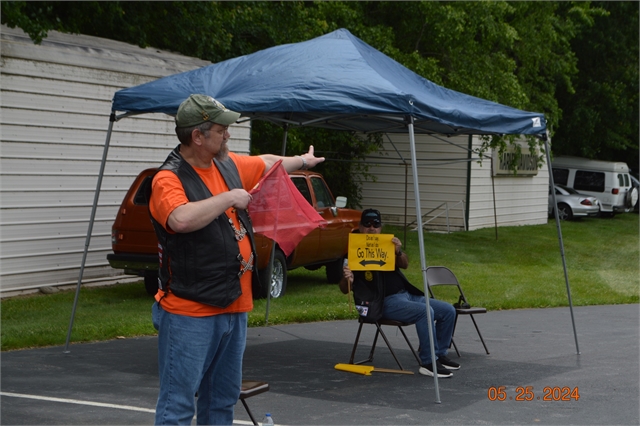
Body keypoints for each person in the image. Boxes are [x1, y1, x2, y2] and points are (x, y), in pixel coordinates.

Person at [148, 94, 324, 425]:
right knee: (178, 406)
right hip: (190, 312)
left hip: (233, 308)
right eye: (221, 129)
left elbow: (266, 162)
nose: (228, 135)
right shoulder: (168, 179)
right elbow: (180, 219)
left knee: (222, 402)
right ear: (197, 136)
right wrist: (229, 197)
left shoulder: (226, 164)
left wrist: (302, 160)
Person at [339, 208, 460, 378]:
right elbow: (344, 288)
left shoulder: (387, 245)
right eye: (367, 224)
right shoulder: (352, 251)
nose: (371, 228)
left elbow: (405, 264)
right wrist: (348, 279)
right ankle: (428, 362)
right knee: (425, 312)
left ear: (380, 227)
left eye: (376, 224)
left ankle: (439, 354)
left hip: (407, 295)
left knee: (448, 310)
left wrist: (398, 251)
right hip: (383, 302)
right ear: (360, 226)